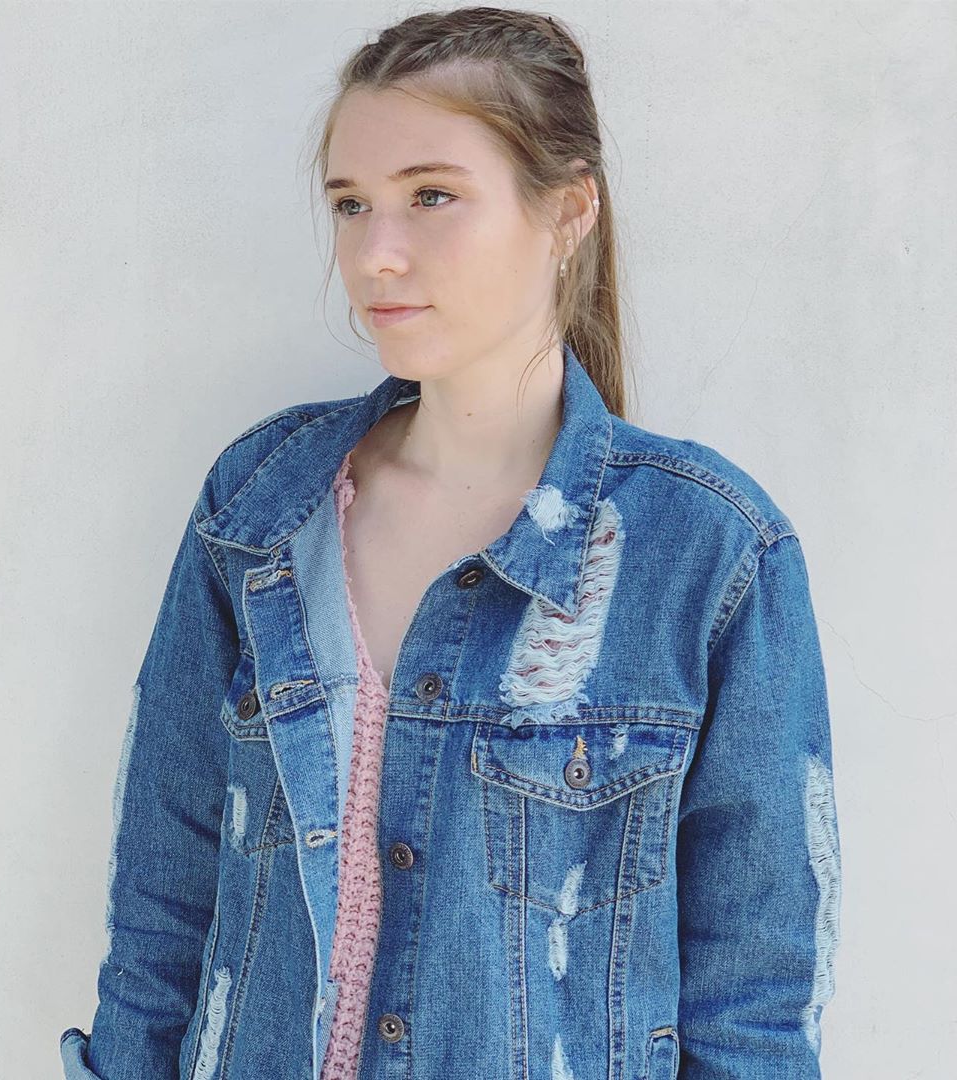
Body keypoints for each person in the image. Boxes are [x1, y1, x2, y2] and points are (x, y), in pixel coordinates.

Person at [60, 7, 842, 1080]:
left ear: (567, 210)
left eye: (431, 195)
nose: (375, 253)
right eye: (350, 203)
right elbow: (161, 911)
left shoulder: (709, 556)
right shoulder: (258, 510)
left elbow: (753, 1004)